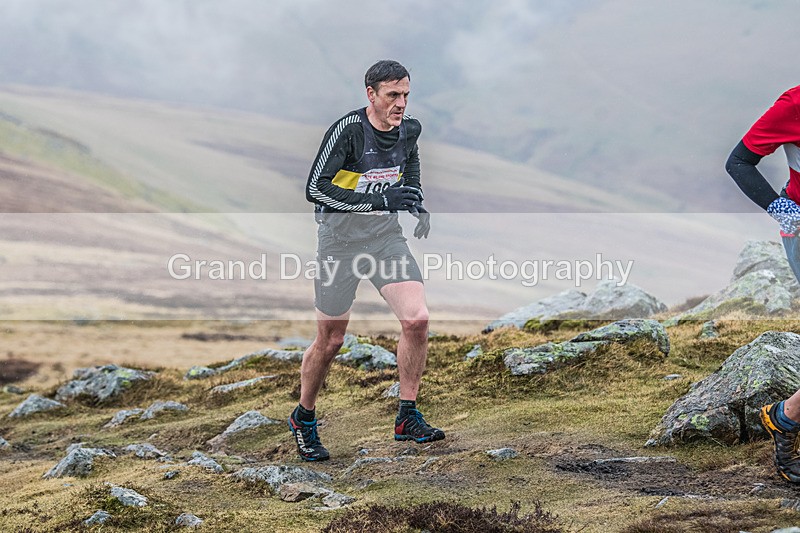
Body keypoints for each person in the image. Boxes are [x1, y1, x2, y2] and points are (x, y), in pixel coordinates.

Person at [287, 59, 444, 462]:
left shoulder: (410, 129)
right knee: (331, 340)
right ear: (370, 94)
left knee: (417, 319)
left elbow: (409, 163)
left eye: (406, 95)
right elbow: (314, 189)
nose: (401, 103)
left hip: (384, 238)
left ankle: (407, 415)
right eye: (393, 95)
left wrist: (415, 200)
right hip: (339, 242)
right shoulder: (349, 131)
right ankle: (304, 417)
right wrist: (379, 199)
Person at [726, 84, 800, 483]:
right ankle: (784, 418)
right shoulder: (796, 103)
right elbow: (738, 162)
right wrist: (783, 210)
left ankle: (784, 417)